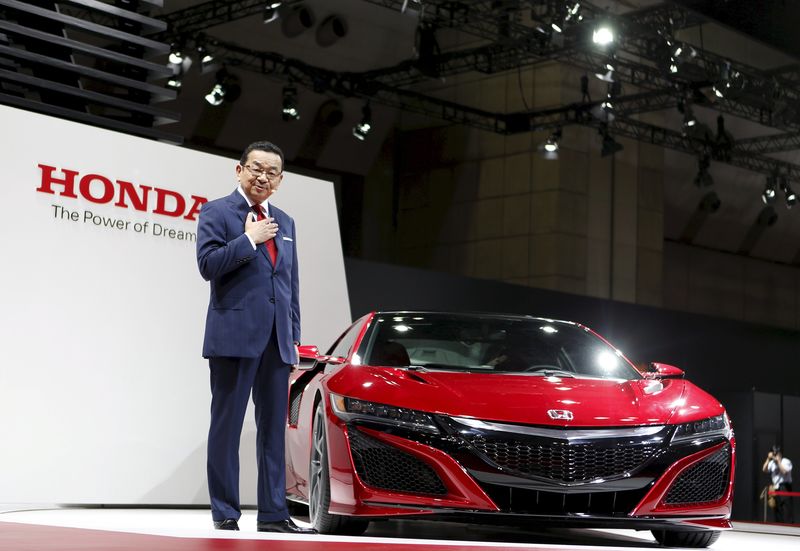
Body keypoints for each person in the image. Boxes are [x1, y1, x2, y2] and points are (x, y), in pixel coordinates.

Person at [196, 141, 314, 534]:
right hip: (234, 337)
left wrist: (293, 338)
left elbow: (289, 286)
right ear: (239, 170)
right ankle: (226, 511)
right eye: (256, 168)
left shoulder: (287, 221)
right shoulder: (217, 211)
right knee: (227, 427)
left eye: (272, 172)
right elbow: (208, 266)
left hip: (277, 342)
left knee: (272, 432)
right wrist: (249, 240)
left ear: (280, 181)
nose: (263, 176)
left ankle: (274, 514)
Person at [762, 445, 794, 524]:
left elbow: (784, 472)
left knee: (786, 509)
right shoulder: (771, 463)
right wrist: (768, 459)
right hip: (775, 488)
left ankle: (789, 526)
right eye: (774, 453)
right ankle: (779, 525)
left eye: (776, 453)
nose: (775, 454)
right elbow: (764, 469)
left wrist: (779, 461)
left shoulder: (785, 461)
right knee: (777, 509)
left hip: (785, 487)